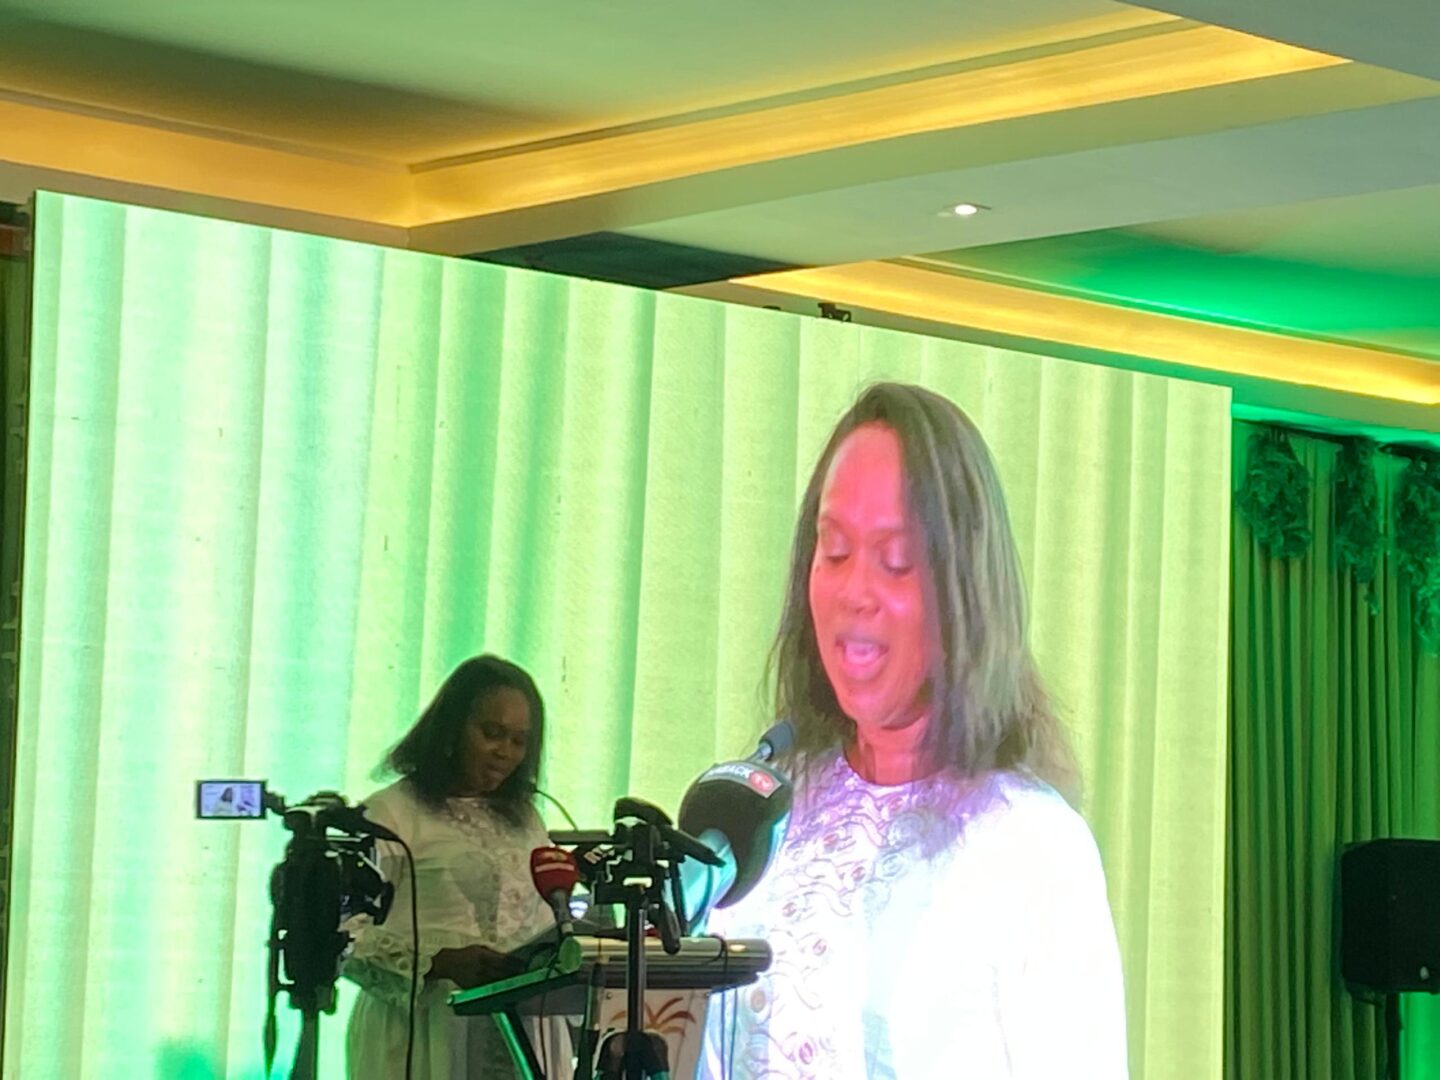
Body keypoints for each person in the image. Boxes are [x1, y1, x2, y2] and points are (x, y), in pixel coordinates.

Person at [699, 383, 1128, 1079]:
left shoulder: (1032, 844)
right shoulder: (765, 816)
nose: (855, 592)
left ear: (965, 589)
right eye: (834, 551)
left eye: (896, 560)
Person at [343, 655, 570, 1080]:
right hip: (425, 1034)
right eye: (492, 733)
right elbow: (343, 938)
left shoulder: (525, 818)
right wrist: (437, 963)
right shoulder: (390, 814)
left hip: (520, 1030)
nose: (505, 752)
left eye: (519, 741)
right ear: (451, 728)